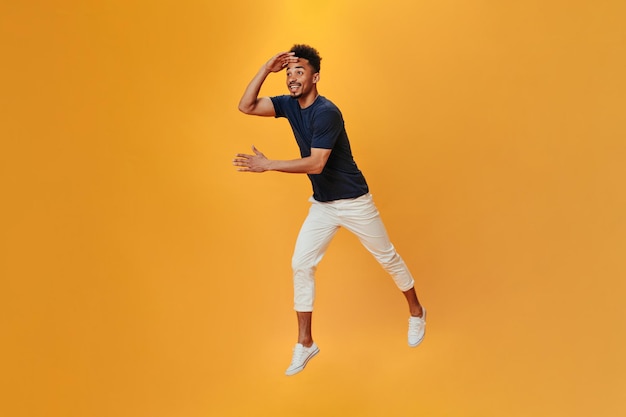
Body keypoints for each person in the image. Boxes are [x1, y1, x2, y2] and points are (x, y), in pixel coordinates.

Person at [233, 44, 426, 376]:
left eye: (300, 72)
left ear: (315, 77)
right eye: (289, 72)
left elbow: (317, 163)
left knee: (387, 256)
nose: (292, 78)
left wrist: (269, 164)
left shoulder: (327, 112)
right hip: (322, 205)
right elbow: (246, 105)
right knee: (301, 264)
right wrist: (267, 68)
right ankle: (306, 343)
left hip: (353, 201)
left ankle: (417, 311)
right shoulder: (287, 104)